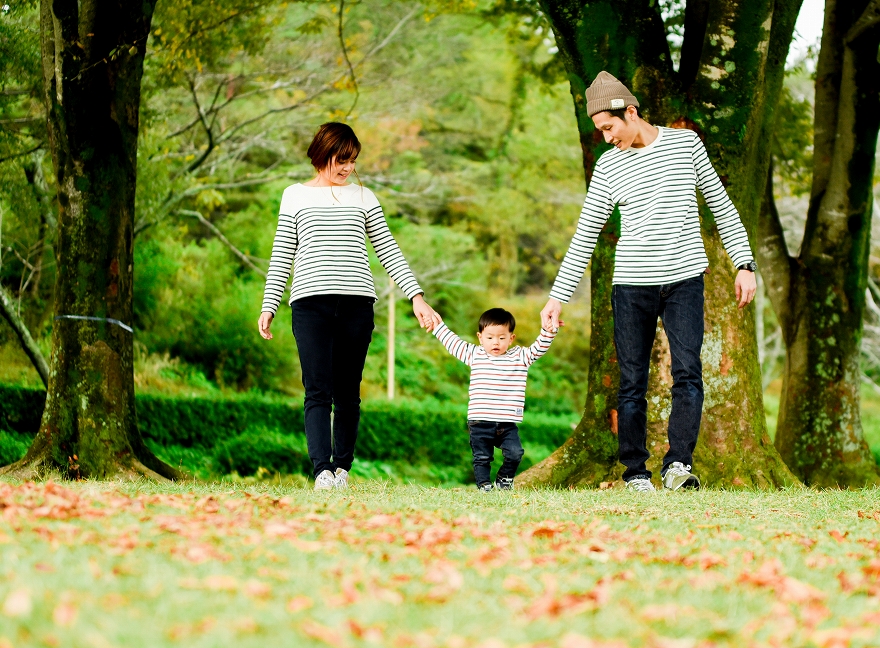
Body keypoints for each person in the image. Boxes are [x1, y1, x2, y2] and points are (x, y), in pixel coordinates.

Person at [539, 72, 757, 493]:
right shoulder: (608, 166)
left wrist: (744, 263)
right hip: (632, 285)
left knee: (688, 372)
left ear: (631, 112)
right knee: (632, 382)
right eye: (600, 130)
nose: (605, 138)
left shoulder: (685, 145)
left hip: (684, 281)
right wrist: (557, 298)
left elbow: (721, 205)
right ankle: (636, 473)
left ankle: (678, 465)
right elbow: (586, 233)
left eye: (609, 127)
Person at [258, 122, 438, 491]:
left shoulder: (364, 197)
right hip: (310, 305)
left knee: (348, 392)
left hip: (357, 304)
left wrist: (416, 297)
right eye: (341, 160)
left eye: (352, 161)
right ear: (322, 154)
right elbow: (281, 255)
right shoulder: (293, 196)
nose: (347, 168)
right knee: (317, 390)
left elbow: (388, 250)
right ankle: (321, 470)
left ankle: (342, 468)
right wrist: (269, 304)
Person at [430, 308, 559, 491]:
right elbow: (453, 342)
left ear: (511, 338)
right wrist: (437, 325)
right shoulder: (475, 354)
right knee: (482, 457)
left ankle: (504, 478)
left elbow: (539, 348)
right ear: (480, 337)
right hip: (480, 421)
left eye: (501, 337)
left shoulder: (520, 357)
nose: (495, 342)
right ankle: (484, 486)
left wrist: (549, 331)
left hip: (507, 423)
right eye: (489, 338)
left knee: (515, 453)